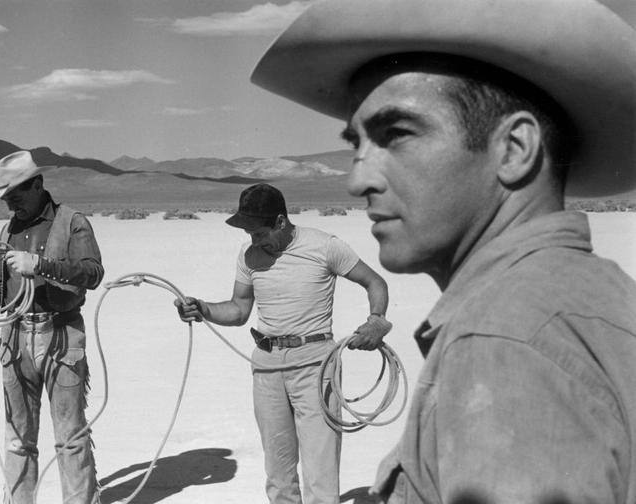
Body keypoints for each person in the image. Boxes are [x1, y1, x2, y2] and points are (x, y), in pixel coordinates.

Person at [249, 0, 636, 503]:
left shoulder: (505, 341)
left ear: (515, 149)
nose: (358, 179)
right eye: (357, 145)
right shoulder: (593, 293)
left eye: (398, 135)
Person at [174, 183, 392, 504]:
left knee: (320, 470)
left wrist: (376, 320)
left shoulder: (325, 247)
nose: (252, 239)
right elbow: (238, 310)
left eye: (258, 231)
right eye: (248, 232)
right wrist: (203, 309)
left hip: (315, 366)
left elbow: (375, 282)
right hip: (267, 366)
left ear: (280, 221)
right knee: (278, 469)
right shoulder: (249, 256)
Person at [0, 150, 104, 504]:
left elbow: (93, 273)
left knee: (70, 436)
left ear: (37, 185)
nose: (9, 204)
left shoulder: (72, 222)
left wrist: (42, 265)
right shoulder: (9, 229)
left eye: (15, 195)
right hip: (16, 336)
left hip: (62, 335)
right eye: (5, 198)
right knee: (18, 437)